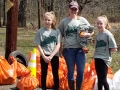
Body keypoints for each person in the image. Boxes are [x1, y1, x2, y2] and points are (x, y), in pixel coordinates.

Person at [58, 1, 94, 90]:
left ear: (78, 10)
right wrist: (60, 48)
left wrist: (88, 35)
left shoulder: (82, 20)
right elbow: (59, 35)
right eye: (72, 8)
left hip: (80, 50)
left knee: (81, 71)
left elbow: (91, 30)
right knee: (70, 71)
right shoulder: (64, 21)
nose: (73, 10)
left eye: (75, 9)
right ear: (69, 9)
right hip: (68, 50)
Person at [34, 11, 62, 90]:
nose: (47, 21)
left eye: (49, 20)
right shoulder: (40, 31)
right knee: (44, 72)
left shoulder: (56, 31)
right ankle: (43, 87)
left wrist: (52, 55)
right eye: (45, 19)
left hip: (54, 55)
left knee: (55, 72)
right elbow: (38, 45)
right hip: (44, 54)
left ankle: (56, 87)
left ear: (52, 21)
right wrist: (44, 56)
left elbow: (58, 44)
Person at [93, 15, 117, 90]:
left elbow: (114, 48)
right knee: (99, 78)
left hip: (104, 59)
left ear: (105, 24)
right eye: (98, 23)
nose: (99, 25)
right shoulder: (97, 35)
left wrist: (105, 51)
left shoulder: (108, 34)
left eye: (101, 23)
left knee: (103, 79)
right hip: (97, 58)